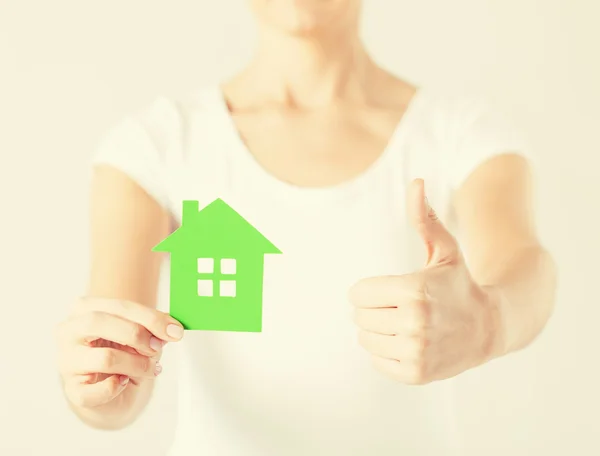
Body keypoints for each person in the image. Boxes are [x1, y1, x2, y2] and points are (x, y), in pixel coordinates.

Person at [55, 0, 557, 454]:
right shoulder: (157, 144)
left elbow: (523, 266)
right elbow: (118, 381)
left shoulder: (461, 134)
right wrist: (95, 386)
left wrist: (489, 322)